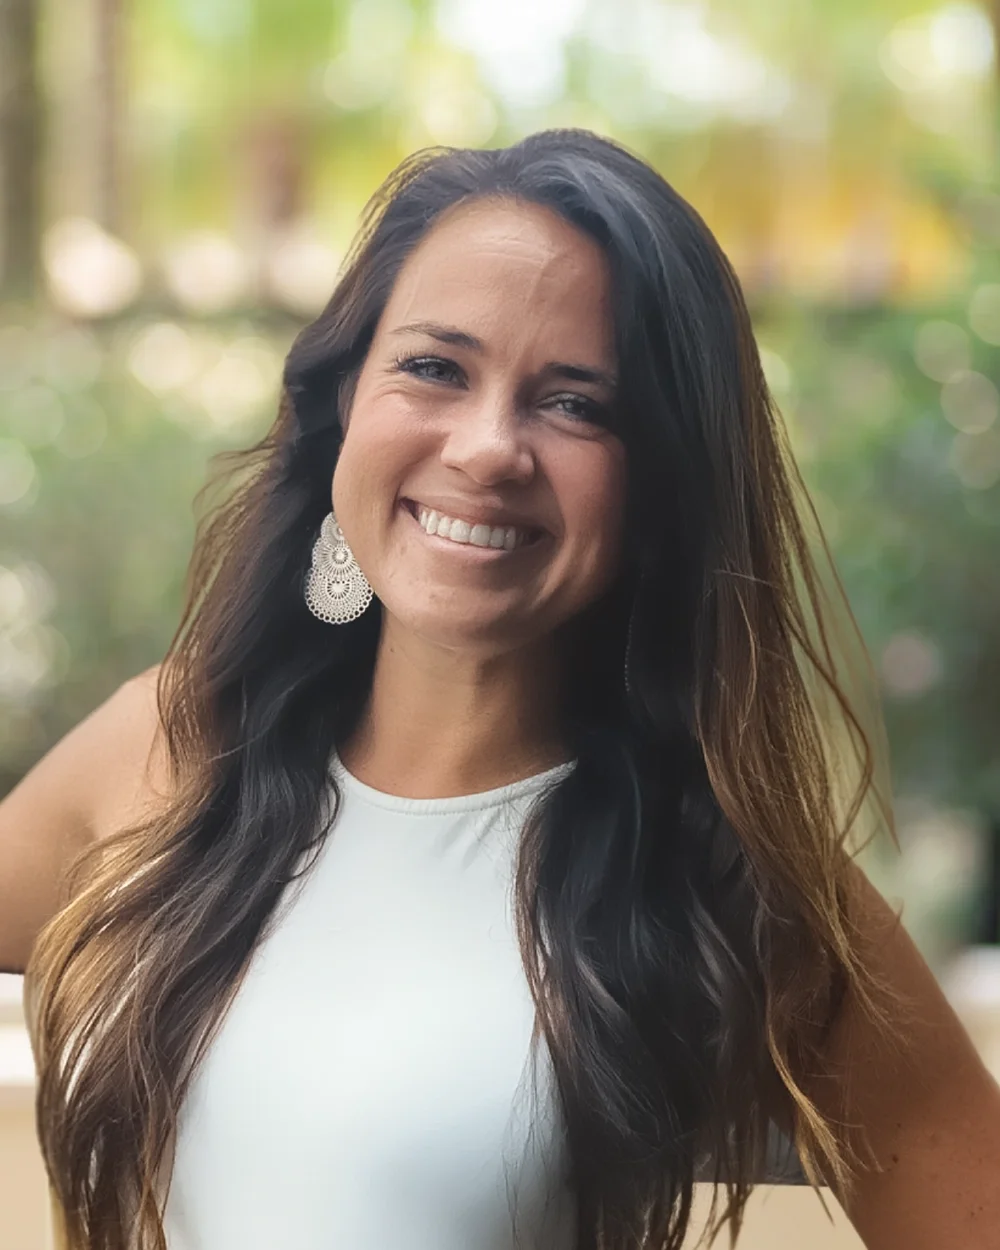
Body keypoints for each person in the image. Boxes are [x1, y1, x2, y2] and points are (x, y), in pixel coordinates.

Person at [2, 129, 998, 1250]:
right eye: (435, 367)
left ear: (661, 481)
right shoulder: (173, 742)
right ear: (345, 403)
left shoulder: (721, 872)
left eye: (576, 403)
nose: (487, 448)